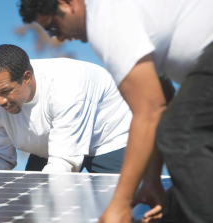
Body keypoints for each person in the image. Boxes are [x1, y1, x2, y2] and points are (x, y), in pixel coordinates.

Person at [18, 0, 213, 222]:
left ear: (67, 4)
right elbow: (162, 100)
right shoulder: (123, 14)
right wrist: (151, 180)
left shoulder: (104, 18)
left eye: (53, 27)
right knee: (176, 203)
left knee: (182, 132)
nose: (58, 37)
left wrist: (120, 204)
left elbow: (149, 110)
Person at [0, 44, 132, 174]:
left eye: (6, 91)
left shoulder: (67, 86)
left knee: (125, 201)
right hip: (53, 144)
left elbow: (63, 163)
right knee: (33, 200)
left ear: (27, 78)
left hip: (107, 139)